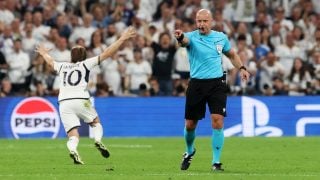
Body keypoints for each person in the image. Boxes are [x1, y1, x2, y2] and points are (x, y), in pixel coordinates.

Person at [35, 27, 136, 165]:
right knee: (95, 122)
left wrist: (43, 53)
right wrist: (122, 38)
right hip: (82, 100)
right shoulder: (85, 64)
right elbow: (107, 53)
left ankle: (74, 151)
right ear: (84, 56)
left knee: (72, 134)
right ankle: (98, 141)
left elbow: (50, 61)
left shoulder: (62, 66)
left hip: (64, 103)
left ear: (71, 56)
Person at [174, 9, 250, 171]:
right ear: (196, 22)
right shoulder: (192, 37)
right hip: (197, 84)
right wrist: (180, 36)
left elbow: (231, 54)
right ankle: (189, 151)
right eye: (199, 21)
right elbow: (184, 41)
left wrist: (242, 67)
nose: (201, 24)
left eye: (204, 21)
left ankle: (216, 162)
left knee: (217, 121)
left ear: (211, 21)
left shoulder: (221, 37)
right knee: (190, 125)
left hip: (217, 84)